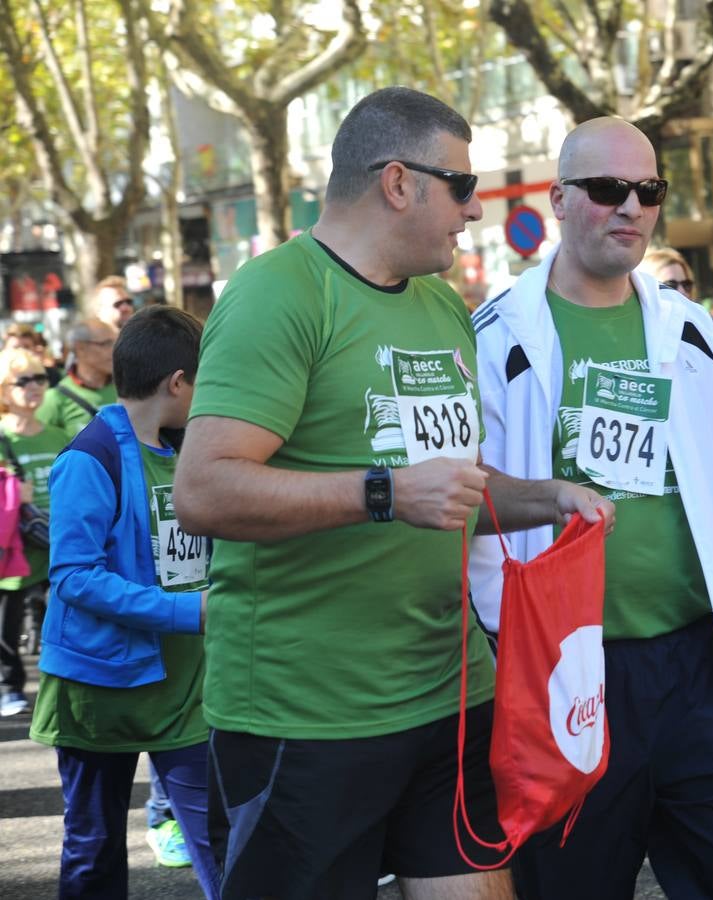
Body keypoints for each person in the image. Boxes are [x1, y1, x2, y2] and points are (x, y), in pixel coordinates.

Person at [173, 87, 607, 900]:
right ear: (399, 182)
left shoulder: (443, 306)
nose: (475, 211)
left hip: (449, 697)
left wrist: (548, 498)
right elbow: (203, 491)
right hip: (305, 718)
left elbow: (449, 495)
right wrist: (382, 493)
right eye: (462, 187)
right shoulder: (277, 294)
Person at [470, 116, 713, 900]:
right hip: (564, 681)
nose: (630, 208)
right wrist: (503, 644)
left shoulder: (686, 328)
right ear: (557, 198)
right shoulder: (494, 335)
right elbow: (472, 506)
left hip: (697, 673)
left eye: (647, 191)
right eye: (607, 189)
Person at [28, 306, 220, 898]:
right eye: (205, 379)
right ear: (179, 383)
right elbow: (75, 578)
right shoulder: (89, 458)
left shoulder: (196, 450)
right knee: (93, 852)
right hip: (98, 695)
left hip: (187, 692)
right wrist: (193, 612)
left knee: (220, 841)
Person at [0, 348, 65, 718]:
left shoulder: (58, 435)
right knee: (7, 623)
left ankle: (53, 689)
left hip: (55, 541)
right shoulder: (3, 436)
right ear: (4, 389)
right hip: (14, 546)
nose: (34, 387)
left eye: (39, 378)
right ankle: (10, 687)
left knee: (57, 619)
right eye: (22, 380)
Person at [35, 319, 117, 437]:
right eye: (106, 344)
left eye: (116, 343)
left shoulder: (128, 390)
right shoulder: (55, 399)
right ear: (81, 348)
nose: (115, 350)